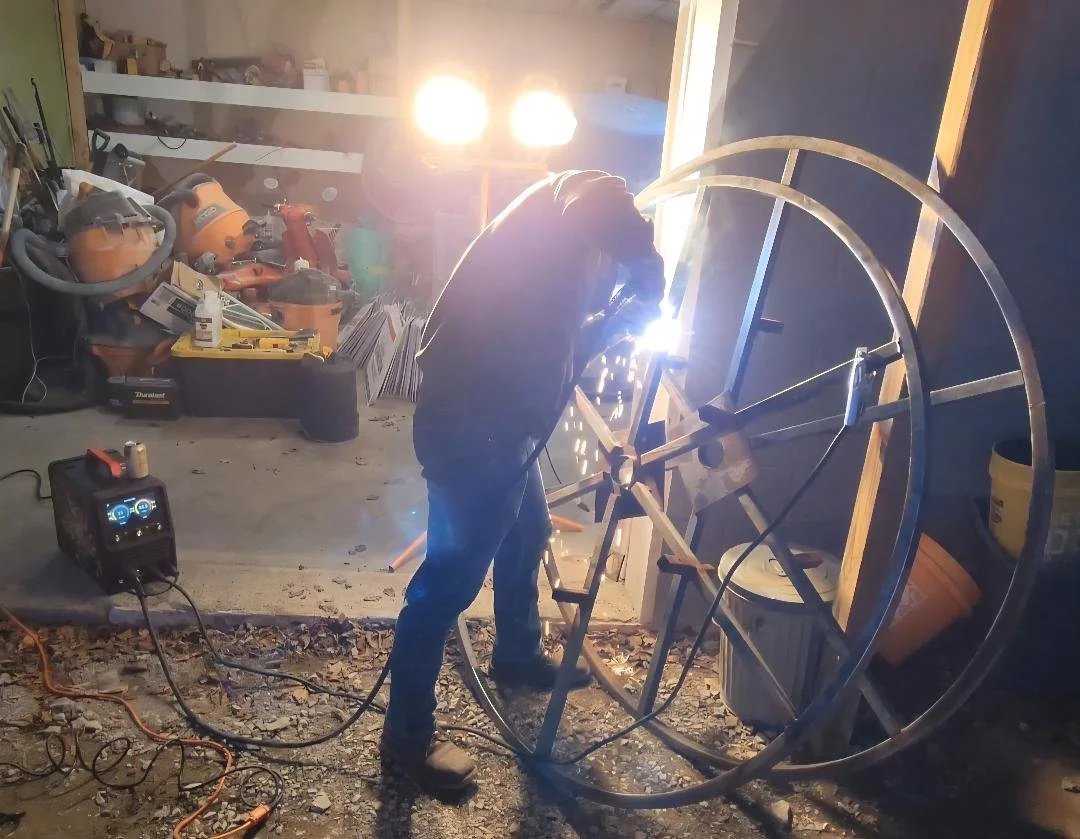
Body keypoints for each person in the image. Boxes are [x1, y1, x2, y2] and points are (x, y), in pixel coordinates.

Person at [381, 170, 665, 791]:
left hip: (502, 430)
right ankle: (406, 738)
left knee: (528, 532)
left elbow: (560, 344)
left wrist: (615, 320)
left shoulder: (545, 264)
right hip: (472, 435)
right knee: (444, 589)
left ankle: (515, 654)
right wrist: (649, 271)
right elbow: (603, 203)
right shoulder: (570, 201)